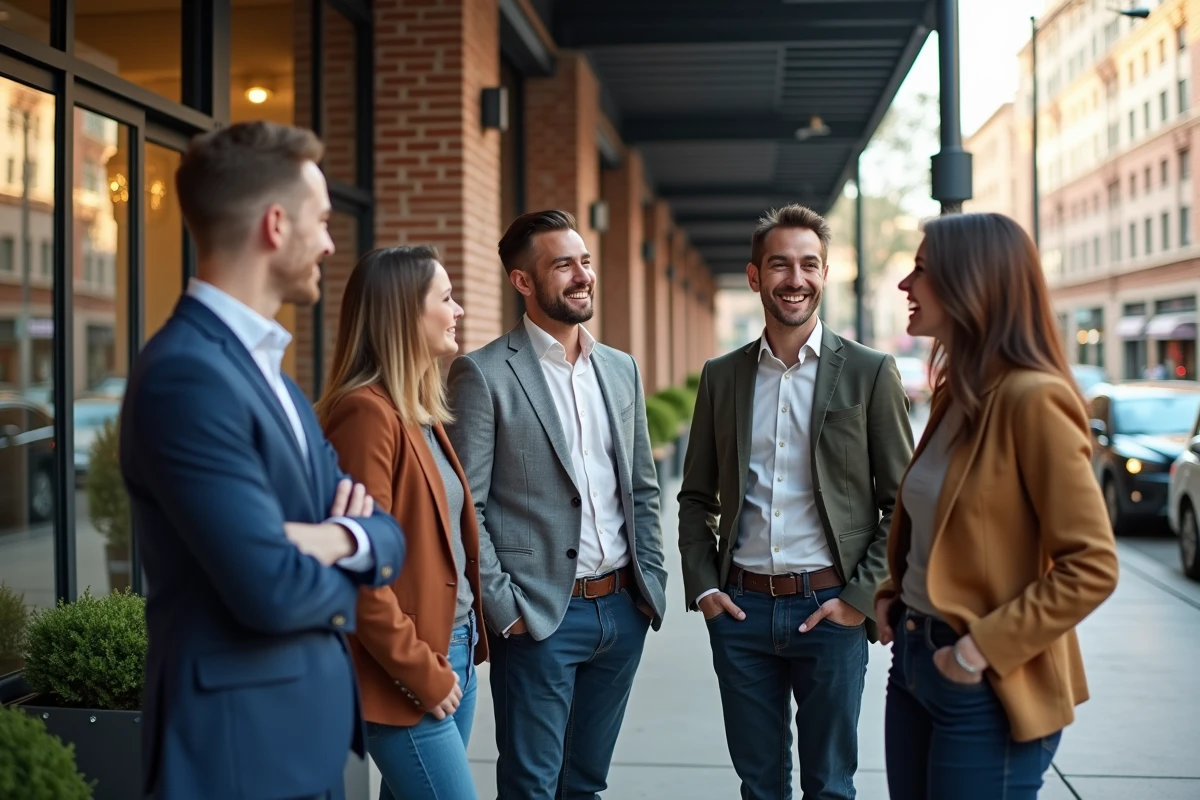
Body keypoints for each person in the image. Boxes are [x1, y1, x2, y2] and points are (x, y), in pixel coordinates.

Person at [119, 121, 405, 800]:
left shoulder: (268, 372)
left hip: (301, 744)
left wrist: (332, 537)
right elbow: (270, 588)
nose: (331, 244)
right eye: (322, 221)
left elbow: (387, 531)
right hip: (239, 755)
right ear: (276, 225)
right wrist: (352, 549)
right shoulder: (187, 376)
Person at [876, 212, 1120, 800]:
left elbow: (1092, 566)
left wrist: (976, 651)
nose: (906, 284)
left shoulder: (1033, 399)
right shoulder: (957, 395)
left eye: (922, 270)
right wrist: (893, 592)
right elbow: (939, 524)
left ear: (971, 282)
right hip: (913, 661)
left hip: (985, 682)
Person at [677, 203, 913, 800]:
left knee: (830, 786)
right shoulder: (722, 376)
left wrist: (858, 600)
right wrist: (705, 588)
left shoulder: (869, 372)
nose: (795, 278)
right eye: (780, 264)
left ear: (825, 274)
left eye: (809, 264)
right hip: (741, 611)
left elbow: (903, 505)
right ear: (755, 276)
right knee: (759, 787)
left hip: (830, 610)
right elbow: (697, 496)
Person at [445, 209, 668, 800]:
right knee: (532, 787)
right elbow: (467, 506)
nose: (582, 276)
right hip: (541, 618)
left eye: (585, 261)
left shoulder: (619, 368)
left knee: (586, 783)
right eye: (563, 265)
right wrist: (507, 610)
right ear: (523, 281)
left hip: (622, 609)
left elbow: (641, 487)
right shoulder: (483, 374)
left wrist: (650, 583)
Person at [317, 246, 486, 800]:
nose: (458, 310)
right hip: (405, 671)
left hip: (453, 648)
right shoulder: (366, 414)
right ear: (405, 314)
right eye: (446, 298)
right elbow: (356, 569)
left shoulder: (416, 410)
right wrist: (421, 673)